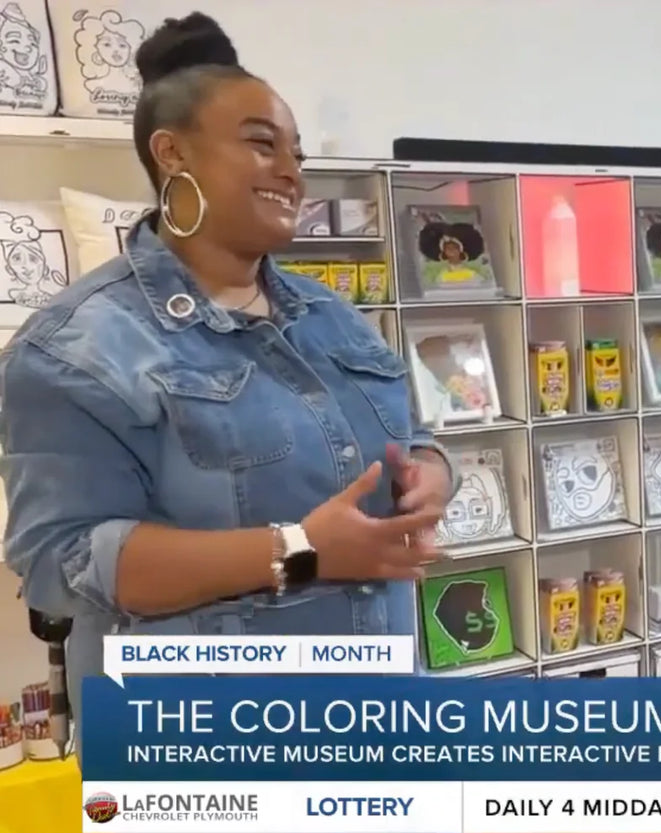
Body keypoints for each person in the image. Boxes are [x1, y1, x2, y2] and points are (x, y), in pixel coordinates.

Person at [0, 12, 454, 719]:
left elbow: (411, 436)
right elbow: (61, 563)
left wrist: (431, 474)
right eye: (261, 144)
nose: (290, 172)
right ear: (172, 154)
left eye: (297, 153)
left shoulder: (330, 316)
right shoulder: (73, 348)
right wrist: (299, 550)